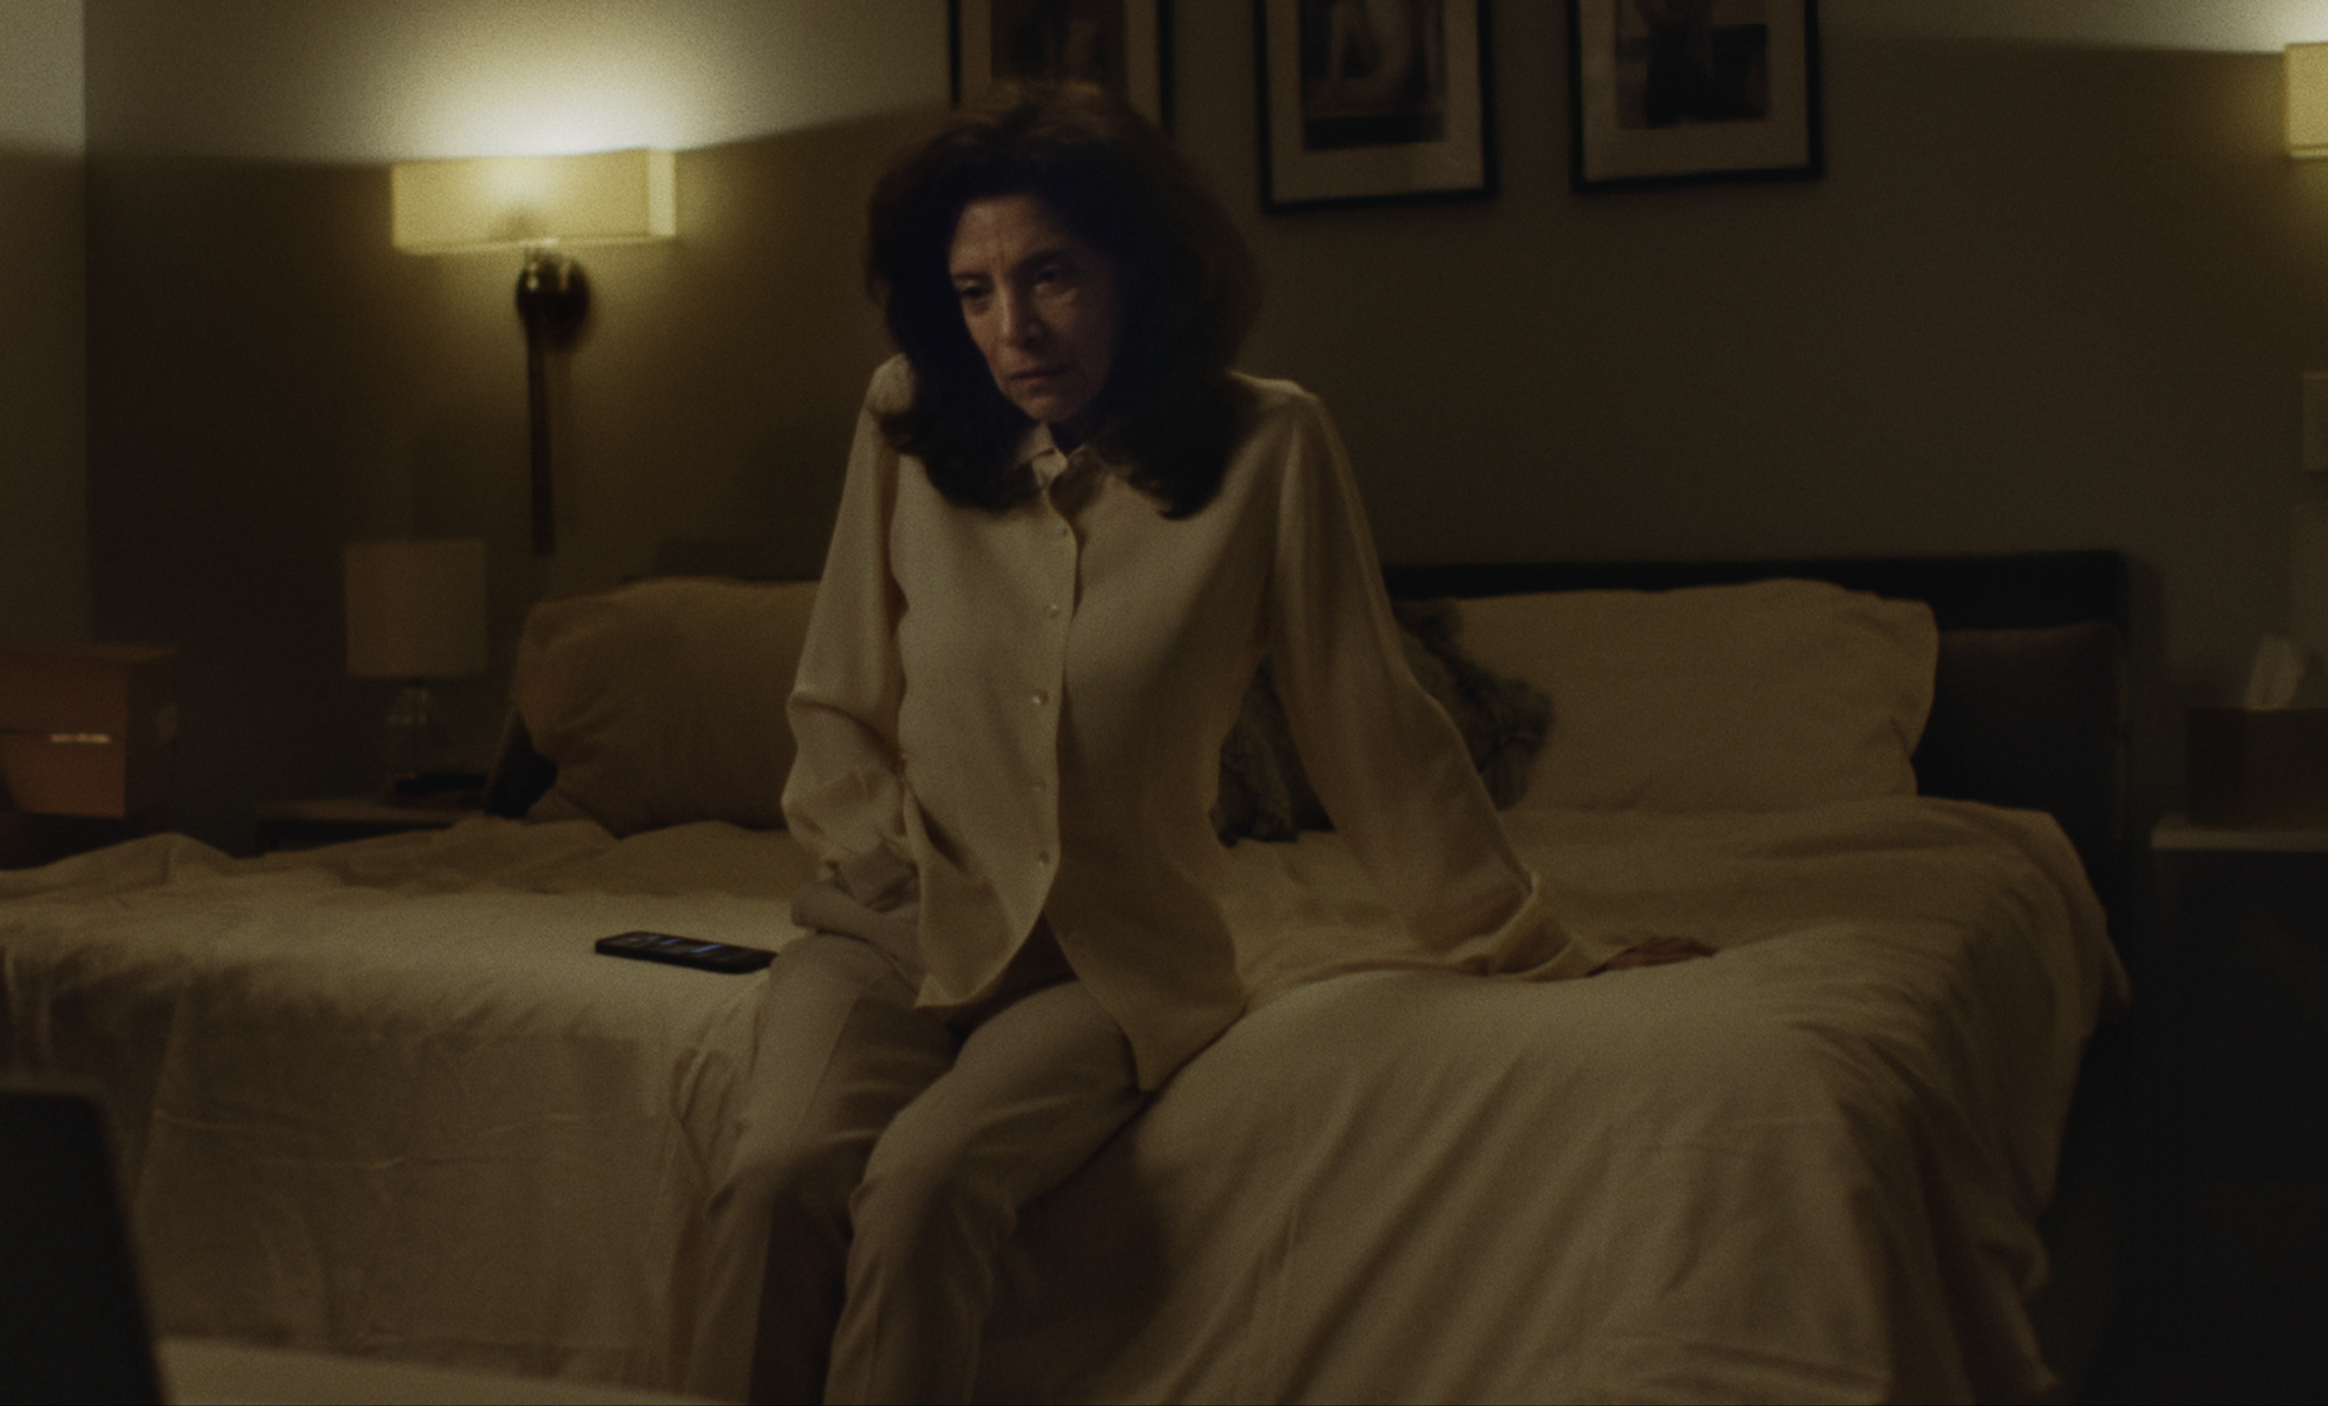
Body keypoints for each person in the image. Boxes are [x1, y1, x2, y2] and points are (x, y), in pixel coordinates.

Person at [694, 85, 1706, 1405]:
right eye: (975, 292)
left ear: (1139, 267)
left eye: (1050, 275)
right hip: (890, 923)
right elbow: (838, 696)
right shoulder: (906, 417)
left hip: (1108, 955)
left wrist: (1536, 949)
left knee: (926, 1184)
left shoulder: (1269, 445)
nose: (1012, 329)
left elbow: (1370, 727)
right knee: (777, 1175)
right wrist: (880, 861)